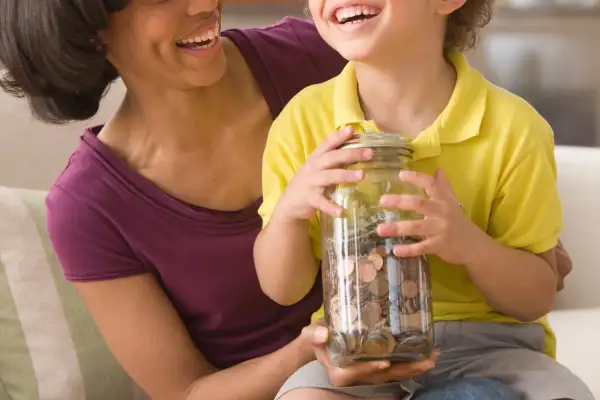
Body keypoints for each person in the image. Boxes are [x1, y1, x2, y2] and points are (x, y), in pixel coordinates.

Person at [0, 1, 573, 400]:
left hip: (462, 342)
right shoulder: (89, 206)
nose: (205, 2)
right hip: (319, 370)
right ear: (90, 31)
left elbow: (460, 130)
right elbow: (189, 390)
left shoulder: (314, 53)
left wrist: (501, 246)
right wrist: (306, 352)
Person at [253, 0, 593, 399]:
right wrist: (292, 211)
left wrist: (470, 246)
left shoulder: (515, 129)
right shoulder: (302, 121)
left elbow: (535, 297)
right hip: (359, 348)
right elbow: (282, 289)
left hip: (493, 348)